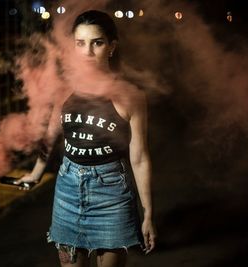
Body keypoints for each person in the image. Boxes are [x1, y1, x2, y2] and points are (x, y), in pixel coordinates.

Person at [15, 10, 156, 267]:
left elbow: (139, 156)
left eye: (97, 43)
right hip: (68, 189)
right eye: (80, 43)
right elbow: (50, 138)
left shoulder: (130, 97)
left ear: (112, 47)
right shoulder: (65, 90)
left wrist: (148, 213)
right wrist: (35, 174)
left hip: (112, 192)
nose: (88, 52)